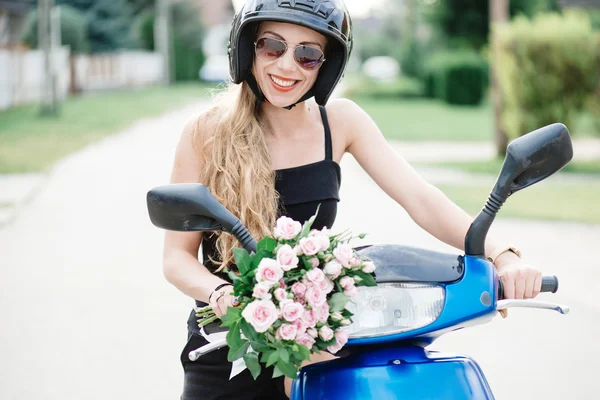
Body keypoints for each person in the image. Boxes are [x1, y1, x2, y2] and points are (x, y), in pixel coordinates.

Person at [162, 0, 543, 399]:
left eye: (307, 54)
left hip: (316, 349)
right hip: (229, 346)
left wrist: (503, 253)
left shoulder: (339, 122)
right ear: (248, 48)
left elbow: (420, 198)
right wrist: (222, 295)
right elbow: (176, 258)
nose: (287, 66)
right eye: (272, 46)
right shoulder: (206, 133)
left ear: (326, 65)